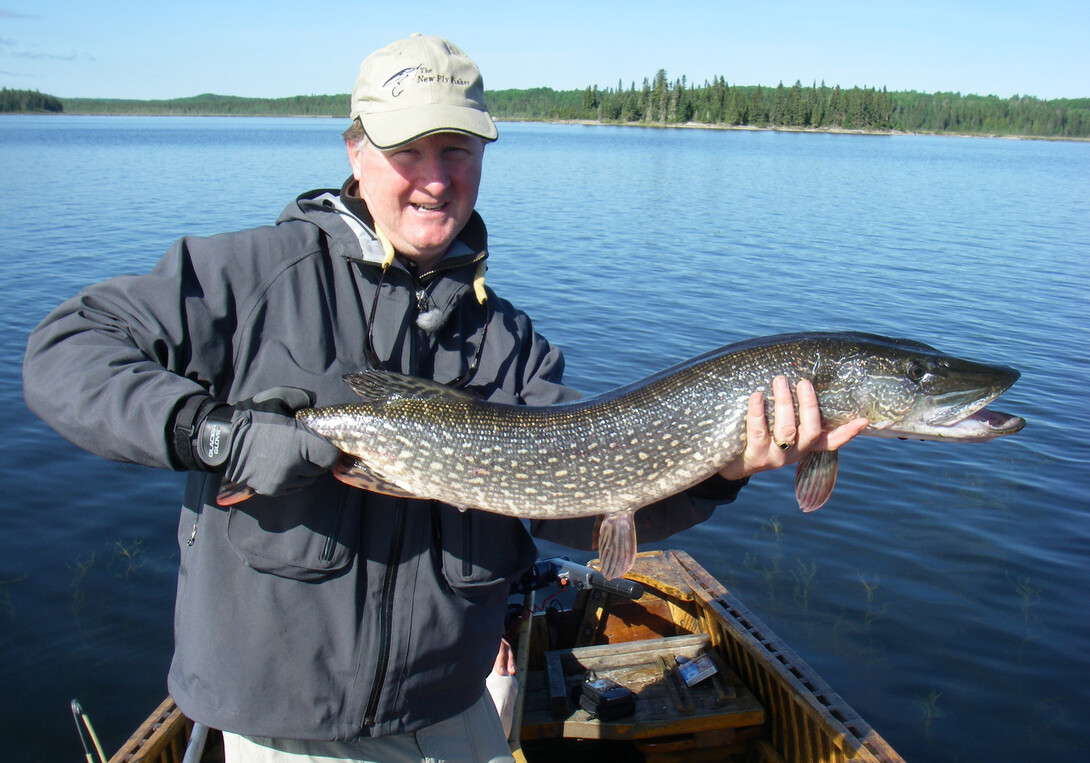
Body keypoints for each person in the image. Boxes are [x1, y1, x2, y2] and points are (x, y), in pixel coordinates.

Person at [22, 34, 865, 763]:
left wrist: (719, 472)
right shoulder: (250, 276)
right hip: (288, 721)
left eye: (456, 150)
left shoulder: (507, 339)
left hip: (451, 710)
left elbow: (582, 508)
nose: (434, 180)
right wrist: (215, 436)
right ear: (355, 153)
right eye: (407, 151)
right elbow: (65, 351)